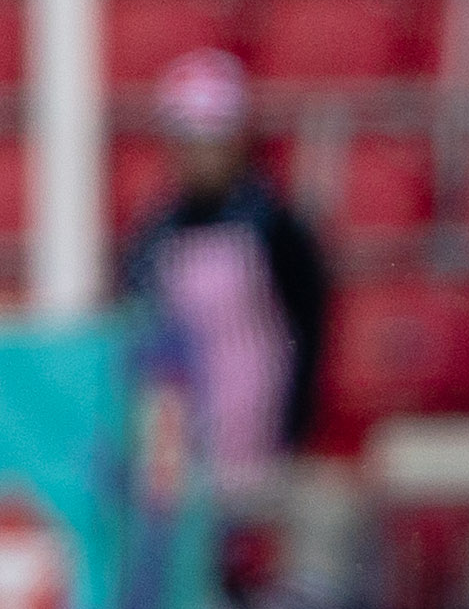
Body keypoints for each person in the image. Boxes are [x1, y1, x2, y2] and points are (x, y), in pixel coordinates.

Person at [118, 48, 333, 480]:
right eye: (189, 142)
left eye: (213, 141)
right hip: (183, 445)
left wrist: (293, 432)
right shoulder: (154, 235)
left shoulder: (276, 229)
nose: (201, 156)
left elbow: (308, 331)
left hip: (261, 438)